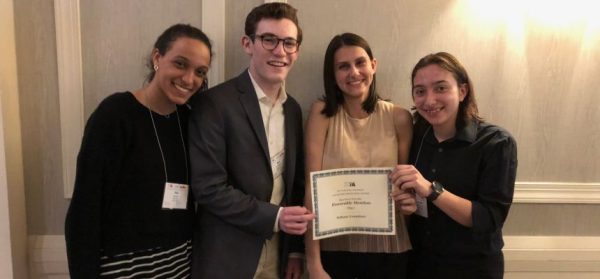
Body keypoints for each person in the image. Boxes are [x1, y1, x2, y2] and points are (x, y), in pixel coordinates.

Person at [64, 24, 212, 278]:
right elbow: (85, 208)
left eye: (199, 72)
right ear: (157, 58)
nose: (189, 79)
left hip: (179, 264)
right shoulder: (115, 114)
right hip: (123, 266)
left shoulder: (190, 120)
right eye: (180, 64)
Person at [187, 3, 313, 279]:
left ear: (297, 51)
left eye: (289, 43)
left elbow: (293, 185)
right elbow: (208, 188)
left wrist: (293, 251)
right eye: (269, 40)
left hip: (277, 256)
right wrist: (276, 218)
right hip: (227, 257)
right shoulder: (214, 104)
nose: (280, 51)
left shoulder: (293, 109)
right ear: (248, 43)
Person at [390, 52, 518, 279]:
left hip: (472, 269)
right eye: (420, 91)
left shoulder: (496, 143)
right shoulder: (416, 135)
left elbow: (488, 219)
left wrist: (431, 190)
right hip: (420, 265)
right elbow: (415, 201)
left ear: (462, 91)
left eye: (440, 88)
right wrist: (407, 203)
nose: (429, 100)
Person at [304, 32, 416, 279]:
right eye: (343, 67)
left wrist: (409, 204)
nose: (353, 72)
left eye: (360, 62)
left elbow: (408, 190)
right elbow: (311, 191)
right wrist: (313, 263)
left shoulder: (399, 117)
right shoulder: (321, 114)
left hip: (390, 251)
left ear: (373, 66)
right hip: (333, 250)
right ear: (333, 75)